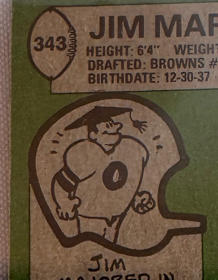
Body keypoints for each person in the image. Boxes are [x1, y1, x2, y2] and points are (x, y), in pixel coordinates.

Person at [51, 105, 155, 245]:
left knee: (110, 246)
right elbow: (62, 182)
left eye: (111, 123)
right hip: (91, 216)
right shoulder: (85, 154)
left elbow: (124, 182)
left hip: (116, 215)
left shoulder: (130, 149)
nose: (111, 125)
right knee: (91, 246)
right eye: (105, 125)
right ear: (93, 134)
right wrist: (64, 203)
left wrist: (136, 198)